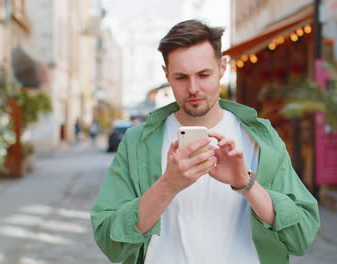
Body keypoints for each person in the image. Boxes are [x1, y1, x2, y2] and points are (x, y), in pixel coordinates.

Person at [91, 19, 320, 264]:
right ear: (166, 74)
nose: (193, 89)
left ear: (222, 67)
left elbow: (302, 235)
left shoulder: (259, 136)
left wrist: (246, 184)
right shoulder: (137, 142)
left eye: (203, 74)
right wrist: (168, 184)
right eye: (181, 77)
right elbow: (110, 242)